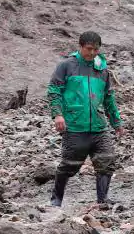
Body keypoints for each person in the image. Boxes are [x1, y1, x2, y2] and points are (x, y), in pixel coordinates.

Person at [47, 31, 124, 207]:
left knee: (106, 160)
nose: (92, 53)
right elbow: (54, 91)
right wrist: (57, 114)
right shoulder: (66, 66)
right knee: (69, 165)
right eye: (89, 49)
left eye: (96, 50)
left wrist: (116, 122)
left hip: (98, 125)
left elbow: (108, 98)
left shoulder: (102, 70)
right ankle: (56, 200)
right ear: (80, 46)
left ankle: (102, 200)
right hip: (75, 125)